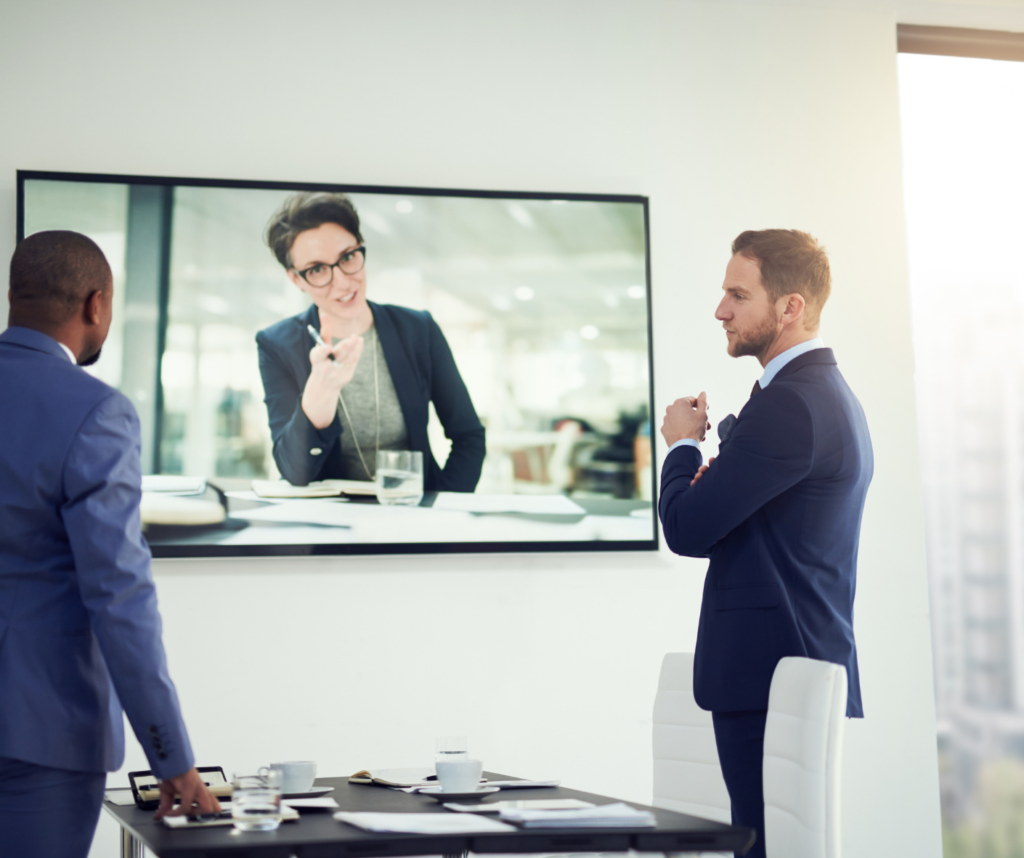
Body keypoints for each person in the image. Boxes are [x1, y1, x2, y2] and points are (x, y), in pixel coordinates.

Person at [0, 231, 220, 858]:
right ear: (96, 305)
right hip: (36, 737)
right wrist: (171, 758)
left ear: (14, 295)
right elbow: (118, 597)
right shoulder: (95, 412)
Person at [658, 230, 873, 858]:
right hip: (785, 667)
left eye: (737, 294)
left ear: (790, 307)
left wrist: (682, 446)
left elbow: (689, 528)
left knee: (765, 850)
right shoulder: (813, 396)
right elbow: (751, 516)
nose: (720, 310)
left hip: (772, 673)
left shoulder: (792, 403)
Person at [257, 192, 485, 489]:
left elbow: (468, 437)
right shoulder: (278, 345)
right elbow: (295, 472)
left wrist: (439, 508)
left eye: (348, 257)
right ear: (296, 280)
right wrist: (321, 391)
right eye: (316, 269)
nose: (342, 282)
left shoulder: (418, 330)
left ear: (360, 249)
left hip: (412, 513)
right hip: (330, 523)